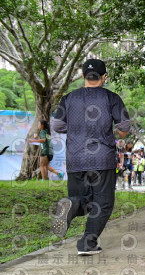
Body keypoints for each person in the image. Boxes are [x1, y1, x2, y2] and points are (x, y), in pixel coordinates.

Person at [51, 58, 130, 255]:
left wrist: (78, 130)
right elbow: (124, 129)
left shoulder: (69, 98)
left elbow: (57, 126)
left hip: (76, 159)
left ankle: (73, 205)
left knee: (82, 199)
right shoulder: (111, 98)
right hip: (102, 159)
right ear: (104, 77)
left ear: (83, 76)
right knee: (103, 204)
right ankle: (88, 243)